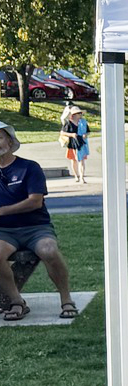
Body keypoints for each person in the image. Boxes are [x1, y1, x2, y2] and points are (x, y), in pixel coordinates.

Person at [0, 122, 77, 320]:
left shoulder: (29, 167)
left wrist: (3, 211)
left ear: (9, 140)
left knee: (48, 251)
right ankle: (16, 302)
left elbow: (35, 202)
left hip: (36, 228)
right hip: (5, 232)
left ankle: (66, 298)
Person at [60, 106, 89, 184]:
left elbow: (88, 131)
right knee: (74, 160)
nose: (80, 115)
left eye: (80, 113)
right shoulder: (68, 123)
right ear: (74, 115)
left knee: (81, 160)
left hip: (81, 142)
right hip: (72, 143)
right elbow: (62, 133)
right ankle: (76, 176)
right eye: (78, 113)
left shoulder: (83, 122)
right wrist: (72, 134)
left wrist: (85, 134)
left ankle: (82, 177)